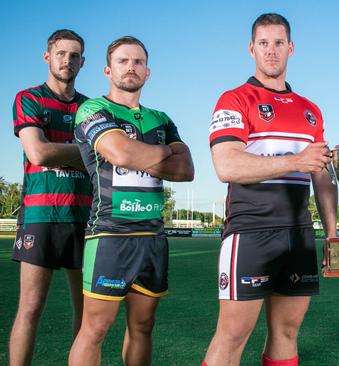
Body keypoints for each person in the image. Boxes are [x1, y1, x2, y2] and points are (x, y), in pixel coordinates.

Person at [203, 13, 337, 366]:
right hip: (250, 231)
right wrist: (295, 161)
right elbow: (227, 165)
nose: (271, 51)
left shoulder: (311, 111)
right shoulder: (234, 99)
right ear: (252, 49)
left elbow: (321, 174)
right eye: (264, 43)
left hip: (299, 234)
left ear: (291, 48)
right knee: (232, 336)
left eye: (279, 43)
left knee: (287, 332)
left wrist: (334, 233)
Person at [67, 36, 194, 366]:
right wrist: (165, 151)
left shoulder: (162, 119)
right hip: (110, 234)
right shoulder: (93, 109)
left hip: (152, 237)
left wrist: (142, 154)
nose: (131, 67)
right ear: (108, 70)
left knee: (143, 326)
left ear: (147, 72)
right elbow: (121, 152)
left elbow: (186, 170)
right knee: (95, 328)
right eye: (123, 61)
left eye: (138, 62)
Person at [9, 29, 91, 366]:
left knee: (86, 313)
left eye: (74, 56)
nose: (67, 60)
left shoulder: (92, 108)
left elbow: (108, 158)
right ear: (48, 56)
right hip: (40, 218)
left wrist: (74, 153)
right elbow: (38, 152)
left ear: (83, 62)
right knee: (30, 308)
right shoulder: (28, 98)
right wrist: (86, 150)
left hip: (85, 219)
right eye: (61, 53)